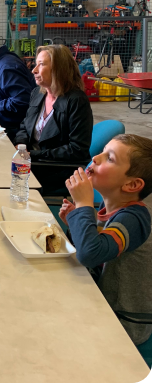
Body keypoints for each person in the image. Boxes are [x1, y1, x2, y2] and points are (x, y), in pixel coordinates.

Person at [60, 134, 152, 346]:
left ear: (132, 185)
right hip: (98, 299)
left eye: (109, 158)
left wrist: (83, 205)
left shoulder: (134, 220)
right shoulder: (111, 209)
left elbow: (90, 254)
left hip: (121, 323)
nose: (95, 157)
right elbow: (95, 250)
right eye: (101, 152)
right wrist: (75, 223)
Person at [13, 44, 93, 193]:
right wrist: (21, 145)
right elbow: (25, 126)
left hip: (55, 169)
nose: (34, 70)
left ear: (58, 69)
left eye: (41, 64)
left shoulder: (76, 101)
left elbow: (77, 150)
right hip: (32, 161)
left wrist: (33, 155)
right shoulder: (38, 93)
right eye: (36, 64)